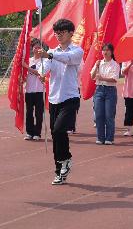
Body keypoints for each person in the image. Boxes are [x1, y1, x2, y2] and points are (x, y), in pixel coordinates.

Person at [37, 18, 83, 185]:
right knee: (56, 135)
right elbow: (44, 69)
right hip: (54, 98)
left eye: (61, 33)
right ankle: (59, 169)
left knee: (59, 129)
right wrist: (41, 71)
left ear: (71, 33)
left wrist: (49, 54)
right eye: (56, 33)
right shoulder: (52, 52)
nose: (58, 36)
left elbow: (68, 59)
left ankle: (66, 159)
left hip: (70, 97)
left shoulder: (77, 51)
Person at [90, 43, 120, 145]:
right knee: (98, 115)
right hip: (99, 90)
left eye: (107, 50)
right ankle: (100, 137)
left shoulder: (115, 64)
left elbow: (114, 79)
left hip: (110, 91)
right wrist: (96, 66)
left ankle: (109, 138)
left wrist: (102, 78)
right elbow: (92, 76)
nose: (105, 52)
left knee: (109, 115)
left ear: (111, 52)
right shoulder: (98, 63)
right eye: (104, 50)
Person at [23, 40, 45, 141]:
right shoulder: (29, 60)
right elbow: (23, 75)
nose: (37, 49)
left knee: (38, 113)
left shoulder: (44, 62)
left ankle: (37, 133)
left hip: (39, 91)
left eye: (38, 47)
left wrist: (26, 67)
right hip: (29, 90)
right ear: (32, 49)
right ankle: (29, 132)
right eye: (35, 47)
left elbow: (39, 73)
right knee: (29, 112)